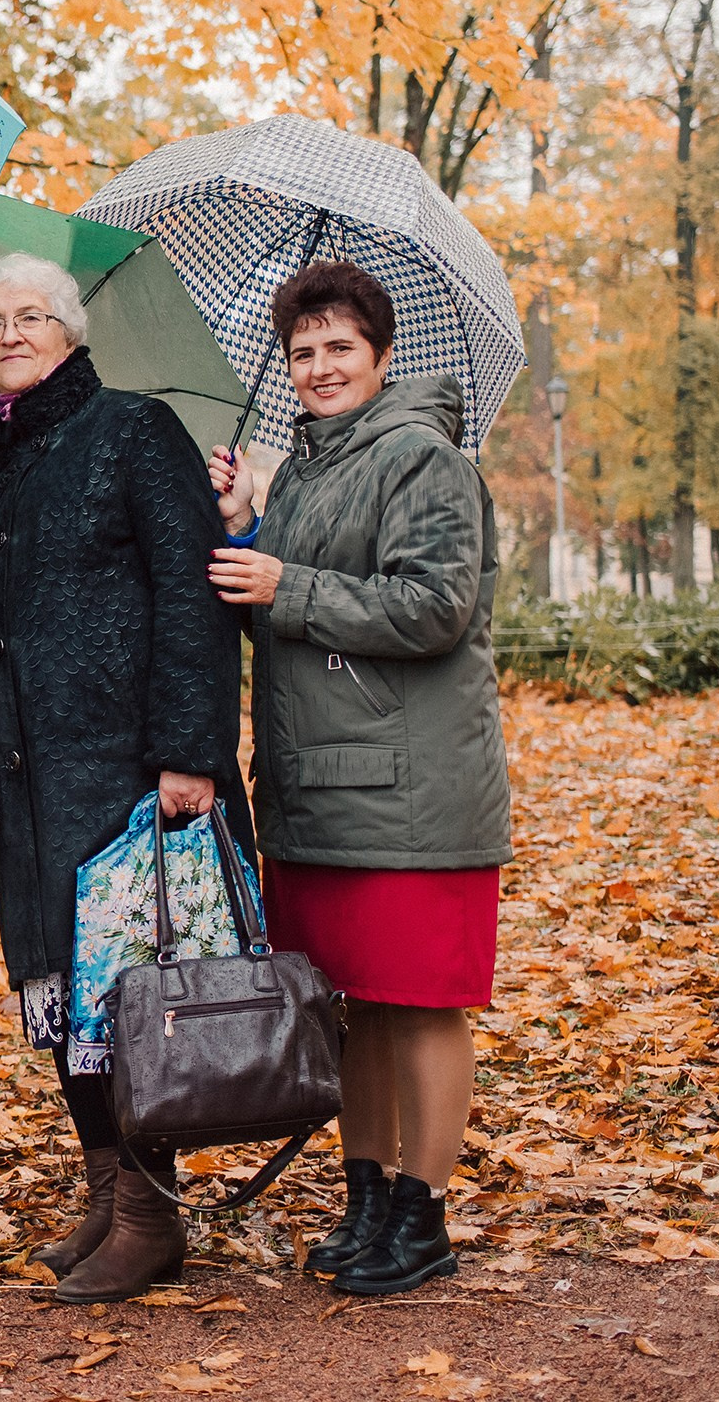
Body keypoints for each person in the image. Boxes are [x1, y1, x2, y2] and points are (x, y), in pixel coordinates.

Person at [207, 260, 510, 1297]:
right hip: (317, 784)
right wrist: (247, 527)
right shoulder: (299, 467)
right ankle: (371, 1193)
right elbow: (282, 610)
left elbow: (430, 608)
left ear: (382, 355)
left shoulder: (424, 457)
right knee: (355, 1004)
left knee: (420, 1003)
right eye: (303, 351)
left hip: (411, 789)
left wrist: (285, 580)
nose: (320, 365)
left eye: (340, 346)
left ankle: (420, 1212)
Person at [0, 252, 246, 1305]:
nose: (10, 332)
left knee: (124, 998)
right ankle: (106, 1186)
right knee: (60, 996)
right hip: (27, 772)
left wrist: (190, 749)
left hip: (125, 767)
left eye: (32, 314)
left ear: (71, 330)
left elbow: (193, 591)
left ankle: (149, 1213)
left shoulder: (133, 428)